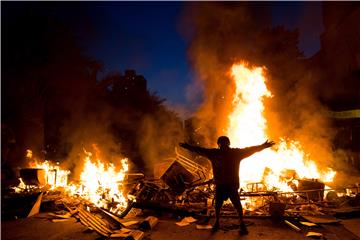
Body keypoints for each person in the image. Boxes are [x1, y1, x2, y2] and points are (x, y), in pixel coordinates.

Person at [179, 136, 275, 234]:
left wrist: (187, 146)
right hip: (231, 185)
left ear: (218, 144)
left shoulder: (214, 153)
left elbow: (199, 150)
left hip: (222, 185)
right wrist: (263, 146)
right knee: (236, 206)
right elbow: (251, 150)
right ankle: (240, 225)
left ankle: (218, 224)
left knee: (218, 206)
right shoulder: (235, 153)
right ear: (228, 143)